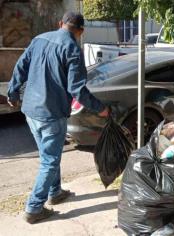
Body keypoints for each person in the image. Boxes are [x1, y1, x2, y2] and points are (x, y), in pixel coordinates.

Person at [7, 12, 109, 224]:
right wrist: (100, 109)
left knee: (48, 155)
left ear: (60, 24)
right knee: (50, 161)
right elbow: (77, 89)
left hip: (30, 111)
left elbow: (21, 66)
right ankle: (34, 208)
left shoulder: (39, 39)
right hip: (51, 113)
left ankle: (55, 192)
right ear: (81, 31)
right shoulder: (72, 48)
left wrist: (13, 92)